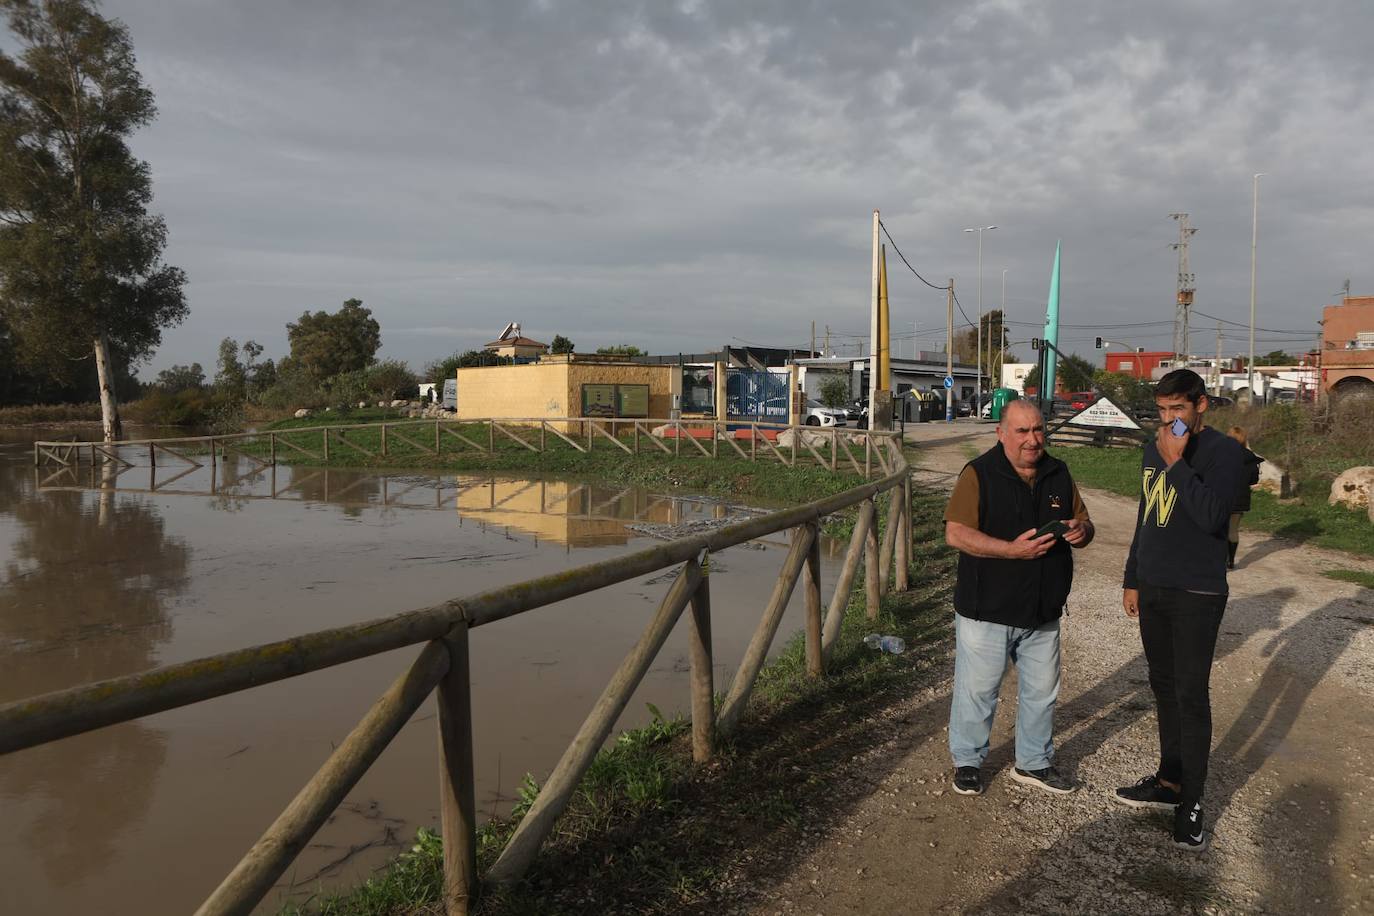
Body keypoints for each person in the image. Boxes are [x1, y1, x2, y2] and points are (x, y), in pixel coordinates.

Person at [1115, 369, 1245, 851]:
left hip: (1197, 592)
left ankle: (1193, 800)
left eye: (1179, 410)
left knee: (1191, 696)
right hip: (1154, 586)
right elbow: (1146, 514)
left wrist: (1176, 463)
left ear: (1201, 405)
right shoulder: (1154, 448)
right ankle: (1170, 782)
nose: (1170, 421)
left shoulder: (1223, 453)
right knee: (1163, 687)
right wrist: (1133, 576)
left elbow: (1214, 516)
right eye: (1163, 411)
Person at [943, 398, 1095, 797]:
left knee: (1042, 692)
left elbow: (1085, 521)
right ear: (1001, 433)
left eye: (1039, 430)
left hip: (1043, 609)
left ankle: (1034, 762)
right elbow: (955, 533)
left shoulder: (1058, 472)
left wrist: (1082, 530)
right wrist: (1010, 550)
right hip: (986, 608)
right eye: (1022, 431)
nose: (1033, 440)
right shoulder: (978, 474)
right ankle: (968, 761)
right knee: (978, 691)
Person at [1225, 426, 1264, 569]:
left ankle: (1219, 559)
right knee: (1233, 530)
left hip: (1222, 497)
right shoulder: (1250, 458)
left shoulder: (1221, 455)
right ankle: (1231, 561)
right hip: (1240, 498)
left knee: (1219, 528)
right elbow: (1254, 481)